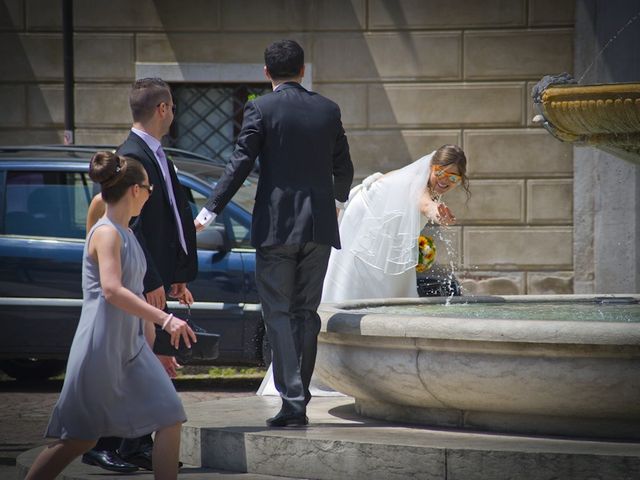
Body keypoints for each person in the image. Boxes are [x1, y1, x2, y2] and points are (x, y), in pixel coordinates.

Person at [194, 39, 354, 427]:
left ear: (266, 73)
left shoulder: (260, 108)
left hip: (277, 228)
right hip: (318, 227)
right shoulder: (328, 110)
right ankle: (300, 395)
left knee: (278, 313)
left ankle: (294, 400)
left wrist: (210, 208)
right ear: (303, 70)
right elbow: (344, 168)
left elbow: (240, 162)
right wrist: (335, 202)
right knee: (305, 313)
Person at [25, 152, 196, 480]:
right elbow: (113, 290)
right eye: (149, 189)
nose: (149, 195)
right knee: (81, 438)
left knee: (170, 417)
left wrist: (151, 345)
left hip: (131, 351)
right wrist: (165, 319)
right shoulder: (107, 233)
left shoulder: (127, 233)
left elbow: (136, 292)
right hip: (100, 349)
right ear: (135, 190)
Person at [258, 144, 469, 396]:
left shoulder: (412, 177)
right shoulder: (420, 187)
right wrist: (435, 212)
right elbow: (423, 203)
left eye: (453, 177)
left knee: (387, 294)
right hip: (361, 233)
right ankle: (327, 372)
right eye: (441, 173)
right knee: (350, 291)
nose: (445, 181)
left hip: (370, 231)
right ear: (430, 167)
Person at [84, 77, 198, 472]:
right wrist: (152, 280)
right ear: (162, 108)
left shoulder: (155, 152)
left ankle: (132, 443)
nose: (174, 114)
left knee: (139, 360)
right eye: (173, 107)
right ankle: (106, 442)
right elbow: (139, 227)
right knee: (132, 361)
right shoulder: (133, 155)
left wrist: (177, 273)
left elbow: (172, 215)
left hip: (154, 274)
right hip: (140, 277)